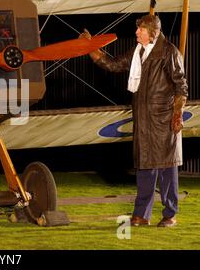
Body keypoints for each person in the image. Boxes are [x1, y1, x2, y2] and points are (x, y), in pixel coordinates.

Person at [80, 14, 188, 227]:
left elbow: (181, 87)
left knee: (167, 170)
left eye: (141, 29)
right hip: (143, 120)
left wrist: (177, 115)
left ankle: (169, 215)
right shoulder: (137, 52)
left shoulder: (169, 52)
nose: (137, 32)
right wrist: (90, 47)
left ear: (153, 33)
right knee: (145, 168)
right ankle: (141, 215)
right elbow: (113, 64)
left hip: (164, 121)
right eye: (137, 28)